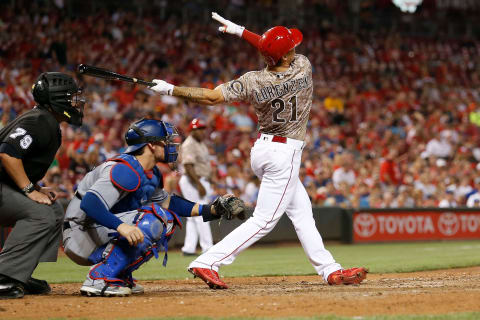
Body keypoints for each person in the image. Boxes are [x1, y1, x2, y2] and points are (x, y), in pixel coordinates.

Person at [149, 12, 367, 289]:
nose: (295, 49)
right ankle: (208, 261)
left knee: (302, 213)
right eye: (291, 47)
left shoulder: (253, 80)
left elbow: (212, 96)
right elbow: (276, 50)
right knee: (264, 221)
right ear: (287, 55)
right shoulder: (303, 66)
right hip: (284, 154)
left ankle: (330, 270)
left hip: (263, 150)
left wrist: (170, 89)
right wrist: (243, 32)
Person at [62, 118, 245, 297]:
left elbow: (169, 203)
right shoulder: (124, 168)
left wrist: (212, 210)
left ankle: (118, 274)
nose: (171, 146)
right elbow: (90, 203)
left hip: (96, 230)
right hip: (80, 232)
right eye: (165, 142)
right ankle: (99, 278)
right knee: (155, 218)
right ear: (151, 146)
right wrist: (121, 226)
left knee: (168, 219)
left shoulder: (150, 173)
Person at [0, 72, 85, 299]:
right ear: (56, 101)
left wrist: (35, 188)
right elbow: (7, 154)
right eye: (70, 98)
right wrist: (28, 189)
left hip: (4, 186)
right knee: (41, 215)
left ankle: (19, 273)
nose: (75, 102)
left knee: (53, 209)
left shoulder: (45, 120)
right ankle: (3, 276)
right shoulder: (40, 120)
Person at [179, 118, 214, 256]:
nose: (202, 131)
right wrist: (199, 184)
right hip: (192, 181)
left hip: (199, 180)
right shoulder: (189, 144)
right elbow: (188, 166)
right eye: (199, 129)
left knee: (193, 216)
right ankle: (208, 248)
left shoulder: (201, 144)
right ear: (192, 130)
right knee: (201, 213)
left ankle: (188, 248)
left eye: (203, 129)